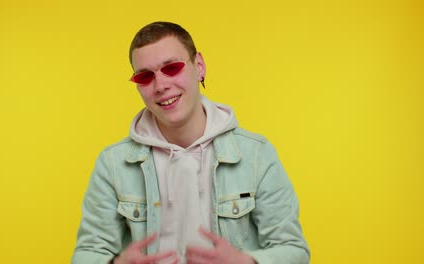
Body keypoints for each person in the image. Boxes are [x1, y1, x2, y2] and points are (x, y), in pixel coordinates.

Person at [72, 21, 310, 264]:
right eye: (145, 76)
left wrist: (245, 262)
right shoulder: (113, 164)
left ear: (199, 66)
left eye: (172, 68)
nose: (161, 85)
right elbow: (87, 254)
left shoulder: (256, 154)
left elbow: (294, 250)